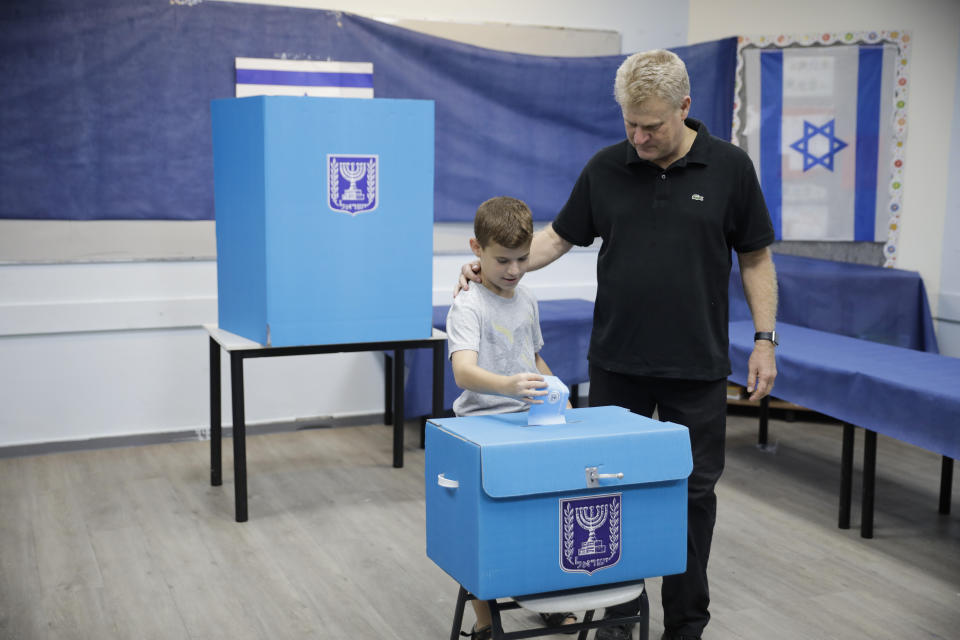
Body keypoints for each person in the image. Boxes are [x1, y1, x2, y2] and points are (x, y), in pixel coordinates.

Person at [457, 50, 778, 640]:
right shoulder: (607, 167)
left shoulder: (731, 169)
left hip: (697, 368)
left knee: (690, 499)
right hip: (618, 365)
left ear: (684, 107)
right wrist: (500, 269)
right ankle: (615, 619)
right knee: (609, 496)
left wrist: (764, 341)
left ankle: (685, 625)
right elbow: (559, 236)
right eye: (629, 122)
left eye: (651, 125)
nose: (638, 136)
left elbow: (756, 257)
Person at [447, 196, 578, 639]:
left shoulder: (528, 299)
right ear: (476, 249)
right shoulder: (469, 305)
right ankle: (485, 623)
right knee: (479, 530)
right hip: (479, 430)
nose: (514, 269)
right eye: (503, 259)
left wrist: (555, 390)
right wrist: (508, 385)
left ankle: (550, 602)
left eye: (522, 259)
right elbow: (463, 371)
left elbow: (533, 358)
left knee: (544, 518)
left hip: (528, 424)